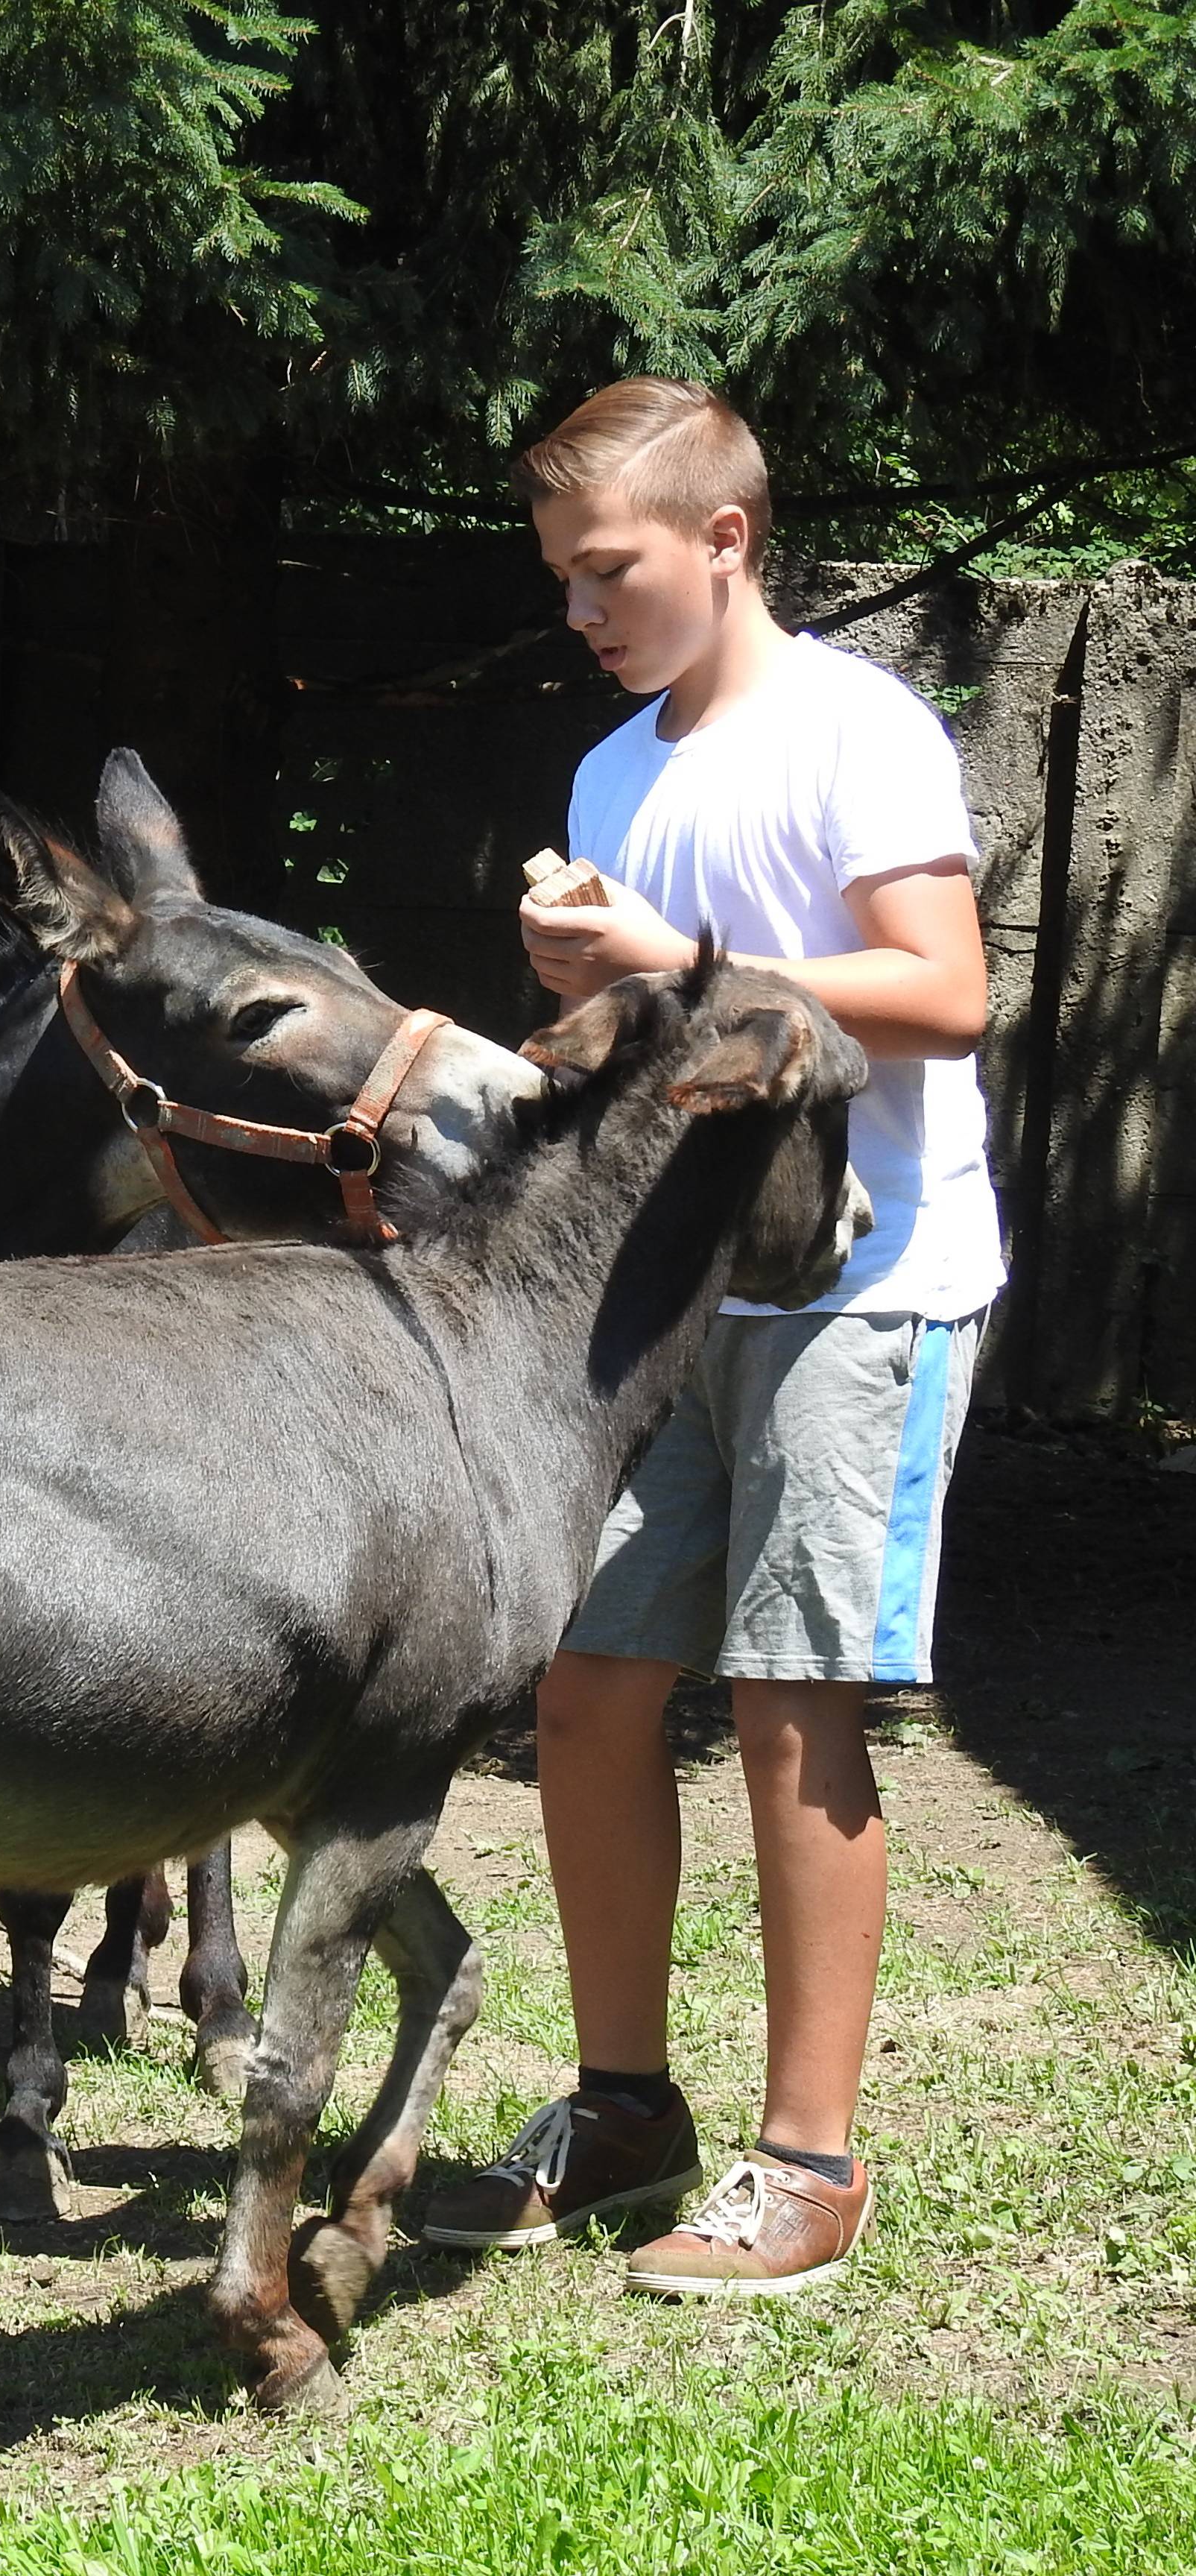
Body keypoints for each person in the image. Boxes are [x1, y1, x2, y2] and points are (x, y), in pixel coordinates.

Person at [423, 376, 1004, 2296]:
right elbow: (670, 1043)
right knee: (589, 1688)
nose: (582, 611)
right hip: (666, 1296)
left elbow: (942, 994)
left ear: (727, 540)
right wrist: (582, 981)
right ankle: (623, 2108)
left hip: (867, 1280)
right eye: (564, 580)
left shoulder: (860, 730)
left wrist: (676, 961)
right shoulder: (615, 772)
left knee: (790, 1702)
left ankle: (809, 2166)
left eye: (610, 573)